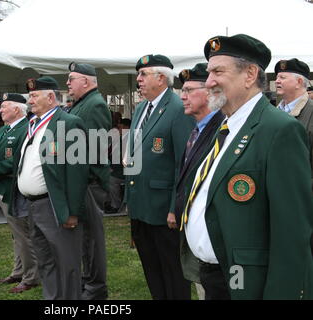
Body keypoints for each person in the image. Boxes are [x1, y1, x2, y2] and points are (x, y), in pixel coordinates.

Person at [180, 34, 313, 299]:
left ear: (250, 74)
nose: (209, 82)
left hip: (246, 282)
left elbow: (292, 231)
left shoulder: (279, 129)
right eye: (208, 73)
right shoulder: (226, 125)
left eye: (218, 71)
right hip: (215, 276)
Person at [124, 54, 195, 300]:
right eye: (138, 75)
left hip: (164, 209)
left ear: (162, 78)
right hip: (141, 205)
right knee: (152, 269)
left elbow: (183, 163)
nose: (139, 80)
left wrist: (175, 207)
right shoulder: (142, 108)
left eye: (144, 75)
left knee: (173, 273)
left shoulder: (177, 109)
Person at [13, 76, 89, 300]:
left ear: (51, 97)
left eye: (35, 95)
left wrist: (72, 211)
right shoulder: (34, 123)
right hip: (33, 205)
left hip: (55, 205)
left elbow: (77, 172)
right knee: (45, 261)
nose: (30, 101)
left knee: (66, 262)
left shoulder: (68, 122)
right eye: (29, 96)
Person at [0, 93, 40, 293]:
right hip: (1, 188)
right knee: (16, 234)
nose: (0, 110)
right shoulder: (6, 129)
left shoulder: (26, 129)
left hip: (14, 189)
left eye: (4, 106)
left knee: (23, 235)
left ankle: (31, 277)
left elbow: (19, 160)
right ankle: (18, 271)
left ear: (16, 109)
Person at [175, 63, 225, 300]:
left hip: (216, 243)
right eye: (182, 91)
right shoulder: (197, 128)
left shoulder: (222, 128)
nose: (182, 97)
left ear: (209, 93)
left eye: (189, 90)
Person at [66, 62, 112, 300]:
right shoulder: (82, 104)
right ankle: (88, 281)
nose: (67, 83)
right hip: (83, 182)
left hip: (90, 183)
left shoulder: (94, 105)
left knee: (92, 239)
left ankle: (96, 288)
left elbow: (94, 150)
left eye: (71, 78)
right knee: (84, 238)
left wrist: (84, 182)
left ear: (86, 81)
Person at [274, 58, 313, 191]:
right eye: (277, 77)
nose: (277, 81)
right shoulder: (271, 113)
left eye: (282, 77)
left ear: (299, 82)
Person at [105, 118, 131, 214]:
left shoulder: (129, 138)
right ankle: (110, 201)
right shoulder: (121, 138)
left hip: (124, 170)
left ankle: (115, 205)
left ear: (127, 127)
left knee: (111, 179)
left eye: (120, 128)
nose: (118, 130)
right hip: (116, 167)